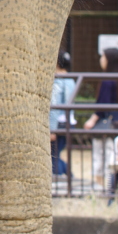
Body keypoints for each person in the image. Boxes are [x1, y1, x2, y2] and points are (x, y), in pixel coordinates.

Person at [83, 47, 118, 191]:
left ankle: (101, 188)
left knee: (100, 157)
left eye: (103, 57)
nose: (101, 60)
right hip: (117, 123)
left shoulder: (107, 80)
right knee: (112, 155)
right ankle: (111, 188)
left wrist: (92, 120)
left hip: (105, 124)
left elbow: (102, 104)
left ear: (109, 60)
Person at [50, 51, 76, 186]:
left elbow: (55, 107)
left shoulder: (58, 81)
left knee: (52, 156)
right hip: (68, 122)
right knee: (55, 154)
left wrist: (52, 129)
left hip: (58, 123)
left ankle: (61, 181)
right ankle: (69, 175)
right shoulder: (71, 79)